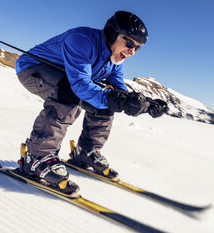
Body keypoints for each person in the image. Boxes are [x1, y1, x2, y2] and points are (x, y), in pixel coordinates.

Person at [15, 10, 167, 194]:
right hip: (32, 69)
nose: (132, 52)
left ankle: (86, 153)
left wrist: (146, 104)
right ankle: (37, 156)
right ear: (112, 34)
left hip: (66, 79)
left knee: (106, 101)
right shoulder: (81, 40)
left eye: (137, 47)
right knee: (69, 93)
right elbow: (80, 85)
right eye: (129, 43)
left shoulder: (115, 60)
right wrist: (116, 99)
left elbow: (118, 91)